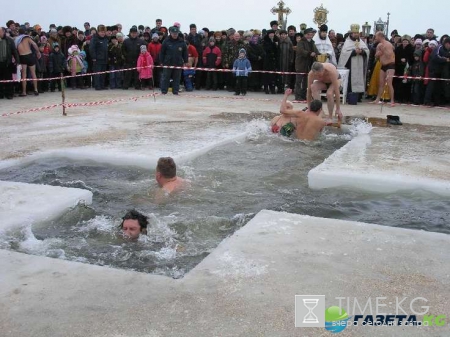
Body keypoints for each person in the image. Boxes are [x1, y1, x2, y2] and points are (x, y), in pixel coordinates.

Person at [338, 24, 369, 101]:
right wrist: (354, 52)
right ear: (351, 34)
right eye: (354, 33)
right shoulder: (347, 42)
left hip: (360, 65)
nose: (356, 34)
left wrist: (362, 51)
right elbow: (344, 53)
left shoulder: (361, 42)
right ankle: (350, 96)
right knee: (350, 81)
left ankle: (358, 97)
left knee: (360, 78)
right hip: (351, 65)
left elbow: (367, 51)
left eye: (357, 33)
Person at [159, 26, 188, 95]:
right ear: (170, 33)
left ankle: (175, 91)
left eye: (176, 33)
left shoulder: (182, 42)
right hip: (167, 63)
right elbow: (162, 52)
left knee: (177, 78)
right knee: (165, 78)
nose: (175, 34)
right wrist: (161, 61)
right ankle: (163, 91)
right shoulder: (166, 41)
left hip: (178, 63)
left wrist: (186, 61)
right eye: (173, 33)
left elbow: (185, 52)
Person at [370, 32, 395, 106]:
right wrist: (378, 53)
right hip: (383, 65)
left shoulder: (388, 44)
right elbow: (376, 56)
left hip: (390, 65)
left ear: (380, 36)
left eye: (376, 36)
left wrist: (383, 50)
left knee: (389, 83)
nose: (375, 37)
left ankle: (392, 101)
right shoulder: (379, 45)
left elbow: (389, 55)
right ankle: (377, 99)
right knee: (381, 83)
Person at [294, 28, 319, 101]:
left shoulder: (312, 42)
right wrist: (309, 53)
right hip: (301, 64)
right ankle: (297, 96)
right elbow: (301, 51)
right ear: (305, 35)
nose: (310, 36)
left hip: (309, 64)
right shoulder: (301, 42)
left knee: (306, 81)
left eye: (311, 34)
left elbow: (316, 51)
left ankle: (303, 95)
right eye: (308, 34)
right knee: (299, 81)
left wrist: (320, 54)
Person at [15, 28, 41, 96]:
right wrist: (38, 52)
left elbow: (15, 49)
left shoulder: (16, 39)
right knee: (33, 74)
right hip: (30, 55)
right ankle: (36, 89)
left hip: (22, 56)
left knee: (24, 75)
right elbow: (34, 44)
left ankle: (24, 92)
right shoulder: (27, 38)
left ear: (18, 33)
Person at [0, 27, 20, 99]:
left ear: (3, 32)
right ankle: (1, 94)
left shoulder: (9, 40)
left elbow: (14, 51)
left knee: (8, 79)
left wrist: (17, 61)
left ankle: (9, 94)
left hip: (7, 62)